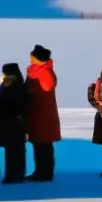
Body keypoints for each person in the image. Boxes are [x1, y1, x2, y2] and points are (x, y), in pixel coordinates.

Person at [25, 45, 61, 181]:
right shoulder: (35, 71)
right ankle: (41, 171)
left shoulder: (44, 72)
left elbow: (47, 87)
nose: (30, 59)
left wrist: (31, 92)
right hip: (36, 113)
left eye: (32, 56)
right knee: (38, 144)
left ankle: (45, 173)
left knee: (43, 145)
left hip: (43, 114)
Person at [0, 63, 30, 184]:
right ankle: (19, 174)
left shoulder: (7, 84)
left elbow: (5, 104)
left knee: (11, 151)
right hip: (19, 121)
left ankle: (11, 176)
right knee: (18, 150)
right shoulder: (21, 84)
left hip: (9, 121)